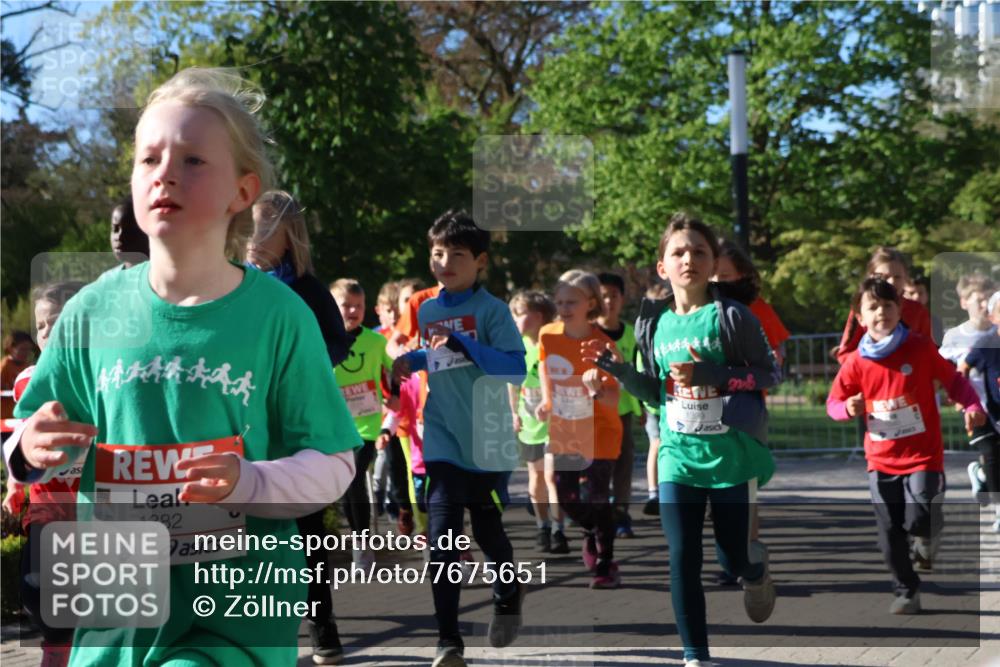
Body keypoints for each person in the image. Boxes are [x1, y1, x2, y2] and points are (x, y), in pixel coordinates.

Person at [3, 67, 361, 666]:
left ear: (242, 192)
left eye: (193, 160)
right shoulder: (91, 312)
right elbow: (32, 436)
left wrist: (247, 482)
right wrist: (28, 450)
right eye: (149, 159)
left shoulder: (278, 315)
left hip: (232, 613)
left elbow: (333, 464)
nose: (165, 172)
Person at [585, 212, 779, 667]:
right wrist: (621, 372)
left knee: (731, 559)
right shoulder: (653, 325)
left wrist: (713, 375)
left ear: (713, 264)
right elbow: (655, 393)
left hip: (729, 455)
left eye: (698, 252)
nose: (688, 259)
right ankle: (696, 655)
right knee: (682, 556)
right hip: (677, 456)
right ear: (662, 267)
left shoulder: (732, 317)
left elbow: (769, 373)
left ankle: (754, 572)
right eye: (678, 252)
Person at [392, 210, 526, 667]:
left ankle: (507, 592)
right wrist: (412, 361)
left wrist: (465, 344)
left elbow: (515, 369)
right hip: (443, 436)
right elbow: (437, 356)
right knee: (442, 538)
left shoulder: (492, 311)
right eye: (437, 253)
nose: (444, 262)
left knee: (488, 532)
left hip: (486, 439)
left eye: (456, 254)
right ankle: (448, 641)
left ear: (480, 261)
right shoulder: (428, 309)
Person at [827, 278, 985, 613]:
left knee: (920, 516)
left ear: (899, 310)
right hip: (880, 459)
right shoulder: (856, 361)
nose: (881, 312)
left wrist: (972, 405)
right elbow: (834, 403)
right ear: (860, 317)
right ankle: (906, 591)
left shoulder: (919, 347)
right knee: (889, 532)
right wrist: (847, 408)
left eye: (888, 305)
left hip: (922, 454)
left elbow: (954, 380)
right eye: (872, 307)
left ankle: (928, 533)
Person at [1, 281, 83, 667]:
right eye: (41, 325)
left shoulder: (110, 376)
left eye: (57, 321)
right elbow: (20, 440)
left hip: (99, 510)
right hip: (49, 509)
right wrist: (14, 489)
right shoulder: (26, 381)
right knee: (40, 594)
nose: (47, 332)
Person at [537, 270, 623, 587]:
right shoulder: (548, 335)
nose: (564, 307)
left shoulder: (604, 346)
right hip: (566, 431)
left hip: (600, 431)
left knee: (598, 497)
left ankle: (605, 564)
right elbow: (545, 366)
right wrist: (546, 400)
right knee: (565, 495)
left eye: (571, 301)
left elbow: (614, 398)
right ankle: (591, 529)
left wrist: (597, 390)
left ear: (591, 303)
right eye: (559, 301)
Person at [247, 189, 352, 367]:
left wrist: (301, 365)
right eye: (250, 228)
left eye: (267, 231)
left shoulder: (309, 292)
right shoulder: (232, 283)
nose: (255, 239)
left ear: (290, 239)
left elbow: (338, 344)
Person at [330, 278, 394, 550]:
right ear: (332, 306)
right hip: (335, 425)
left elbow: (395, 369)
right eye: (346, 305)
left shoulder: (376, 341)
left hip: (367, 425)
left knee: (355, 475)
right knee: (345, 483)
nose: (353, 311)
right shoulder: (324, 340)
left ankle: (363, 541)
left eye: (359, 305)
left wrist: (396, 395)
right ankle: (359, 538)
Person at [508, 290, 567, 553]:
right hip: (530, 424)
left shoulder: (554, 342)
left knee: (553, 476)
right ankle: (542, 526)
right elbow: (512, 384)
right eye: (513, 315)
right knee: (537, 477)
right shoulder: (516, 348)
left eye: (520, 314)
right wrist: (513, 413)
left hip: (555, 422)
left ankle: (558, 530)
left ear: (539, 316)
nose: (515, 320)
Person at [596, 272, 642, 538]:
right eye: (603, 296)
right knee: (597, 465)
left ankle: (621, 512)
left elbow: (638, 371)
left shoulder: (630, 335)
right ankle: (597, 511)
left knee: (624, 462)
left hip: (622, 409)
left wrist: (641, 407)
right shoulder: (587, 332)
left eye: (613, 295)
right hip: (593, 411)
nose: (608, 301)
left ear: (622, 298)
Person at [835, 246, 932, 364]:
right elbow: (845, 354)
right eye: (883, 277)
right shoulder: (863, 309)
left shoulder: (918, 311)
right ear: (871, 277)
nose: (891, 282)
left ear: (906, 278)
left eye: (897, 277)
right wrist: (872, 368)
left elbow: (931, 352)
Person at [958, 290, 1000, 533]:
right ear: (993, 318)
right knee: (992, 455)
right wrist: (963, 399)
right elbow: (963, 368)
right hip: (987, 412)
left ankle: (981, 475)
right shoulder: (986, 345)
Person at [1, 332, 34, 430]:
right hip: (6, 420)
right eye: (23, 349)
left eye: (28, 349)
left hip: (23, 419)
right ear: (11, 348)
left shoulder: (28, 367)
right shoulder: (4, 367)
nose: (26, 353)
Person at [109, 195, 150, 268]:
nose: (119, 236)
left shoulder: (164, 272)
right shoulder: (110, 275)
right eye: (115, 229)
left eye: (128, 230)